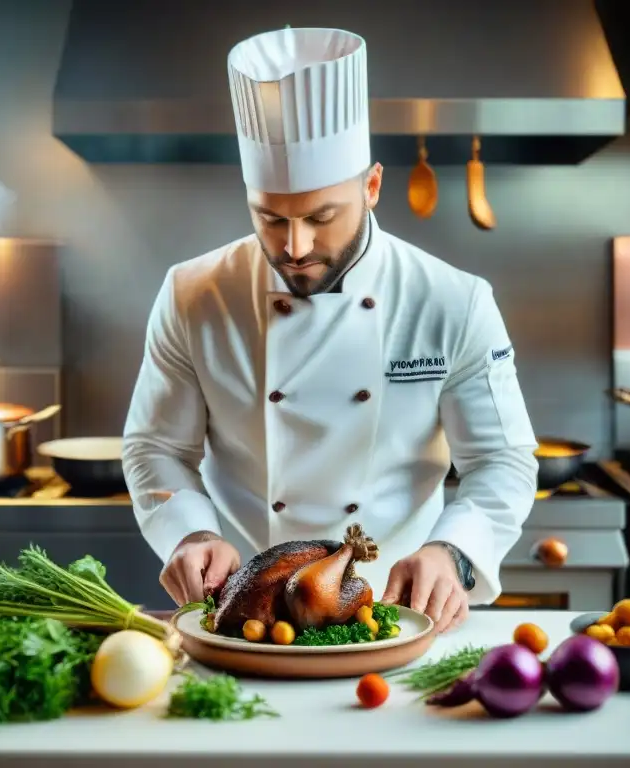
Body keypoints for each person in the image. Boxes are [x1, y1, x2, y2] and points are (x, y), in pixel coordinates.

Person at [123, 27, 538, 634]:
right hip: (242, 617)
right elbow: (156, 448)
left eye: (322, 217)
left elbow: (502, 460)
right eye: (270, 218)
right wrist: (189, 531)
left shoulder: (453, 301)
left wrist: (454, 553)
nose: (295, 247)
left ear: (371, 187)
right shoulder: (193, 294)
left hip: (396, 617)